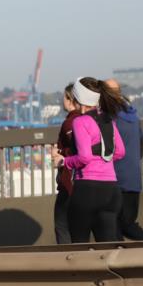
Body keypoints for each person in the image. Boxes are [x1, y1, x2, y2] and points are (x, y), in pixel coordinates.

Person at [51, 77, 126, 243]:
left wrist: (64, 161)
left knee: (79, 247)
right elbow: (120, 152)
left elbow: (84, 158)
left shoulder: (80, 121)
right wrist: (102, 155)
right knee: (106, 248)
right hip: (111, 190)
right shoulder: (108, 120)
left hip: (87, 189)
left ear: (77, 99)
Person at [105, 79, 143, 241]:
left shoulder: (108, 117)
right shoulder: (132, 115)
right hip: (133, 177)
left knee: (116, 225)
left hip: (115, 178)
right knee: (125, 224)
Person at [53, 84, 78, 244]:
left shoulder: (70, 122)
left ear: (70, 100)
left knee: (62, 225)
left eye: (64, 97)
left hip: (69, 183)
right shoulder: (93, 119)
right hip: (85, 183)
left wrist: (60, 154)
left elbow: (78, 150)